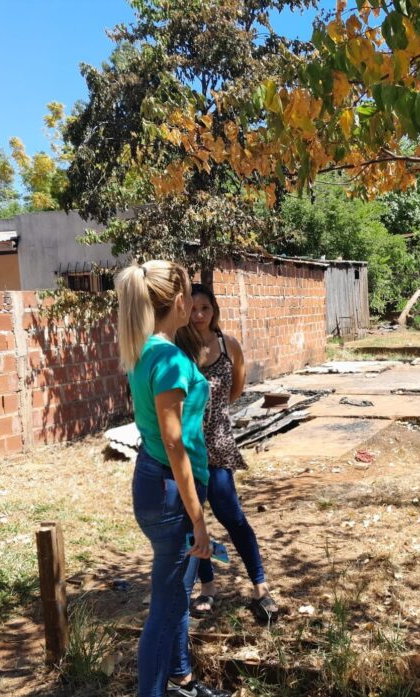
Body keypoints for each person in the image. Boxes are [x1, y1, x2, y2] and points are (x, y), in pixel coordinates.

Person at [116, 262, 230, 697]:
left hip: (157, 480)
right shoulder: (166, 358)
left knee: (176, 594)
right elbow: (173, 442)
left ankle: (180, 679)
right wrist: (198, 518)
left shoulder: (146, 349)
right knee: (164, 608)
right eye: (188, 295)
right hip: (170, 488)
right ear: (178, 302)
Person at [175, 284, 279, 622]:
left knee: (232, 516)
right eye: (193, 308)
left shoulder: (227, 345)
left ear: (214, 310)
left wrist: (213, 413)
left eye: (205, 308)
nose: (199, 315)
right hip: (187, 448)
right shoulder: (177, 347)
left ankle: (260, 586)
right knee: (193, 519)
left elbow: (236, 388)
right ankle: (207, 586)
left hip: (218, 444)